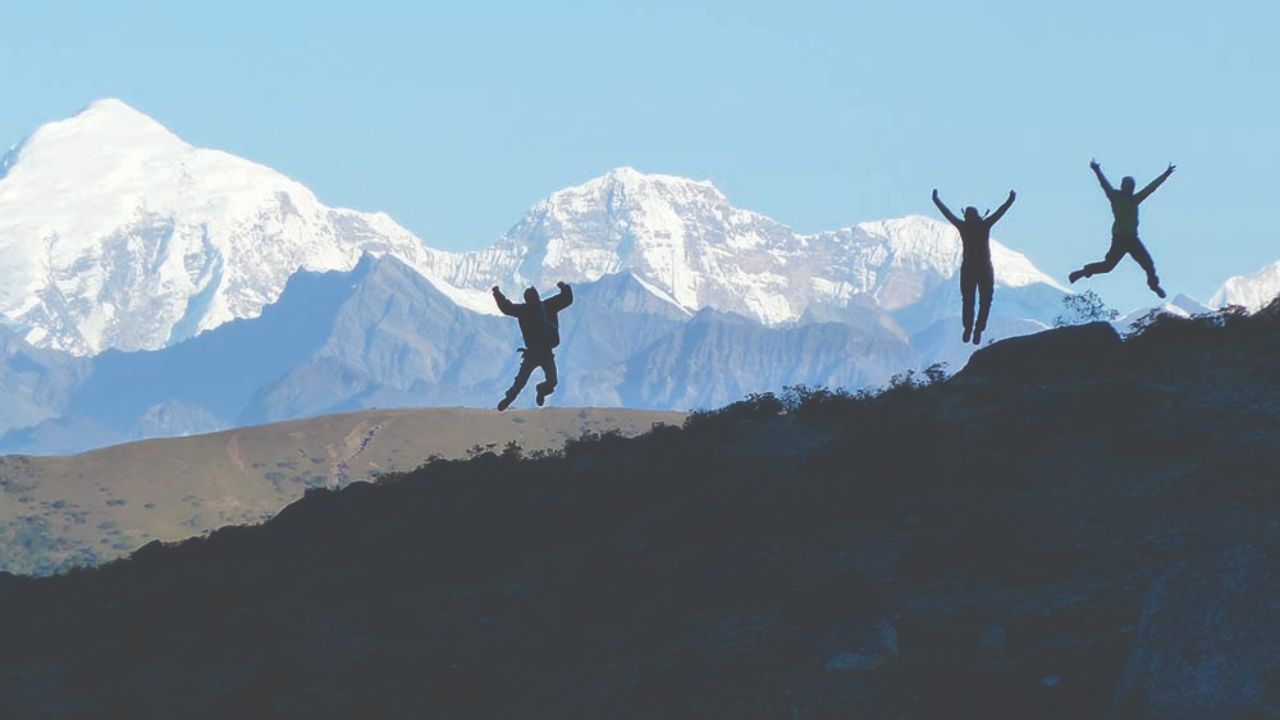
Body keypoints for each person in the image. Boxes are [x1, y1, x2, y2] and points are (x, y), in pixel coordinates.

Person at [1069, 159, 1175, 299]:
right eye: (1128, 186)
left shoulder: (1135, 199)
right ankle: (1082, 272)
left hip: (1132, 238)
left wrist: (1166, 174)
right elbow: (1104, 184)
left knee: (1148, 264)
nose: (1130, 188)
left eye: (1131, 186)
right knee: (1108, 266)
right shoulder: (1115, 197)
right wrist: (1097, 170)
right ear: (1123, 186)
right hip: (1120, 238)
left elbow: (1151, 188)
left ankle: (1154, 286)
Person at [932, 188, 1017, 345]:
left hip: (970, 268)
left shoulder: (964, 226)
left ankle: (971, 328)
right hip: (984, 268)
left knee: (969, 300)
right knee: (984, 300)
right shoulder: (983, 225)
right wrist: (1010, 200)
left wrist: (936, 200)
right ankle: (976, 329)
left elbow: (947, 213)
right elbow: (999, 212)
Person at [492, 281, 573, 411]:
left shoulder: (527, 309)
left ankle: (535, 392)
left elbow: (506, 307)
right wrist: (564, 287)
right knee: (529, 382)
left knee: (526, 383)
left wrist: (497, 293)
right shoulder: (545, 306)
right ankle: (511, 398)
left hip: (543, 354)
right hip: (535, 354)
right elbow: (566, 299)